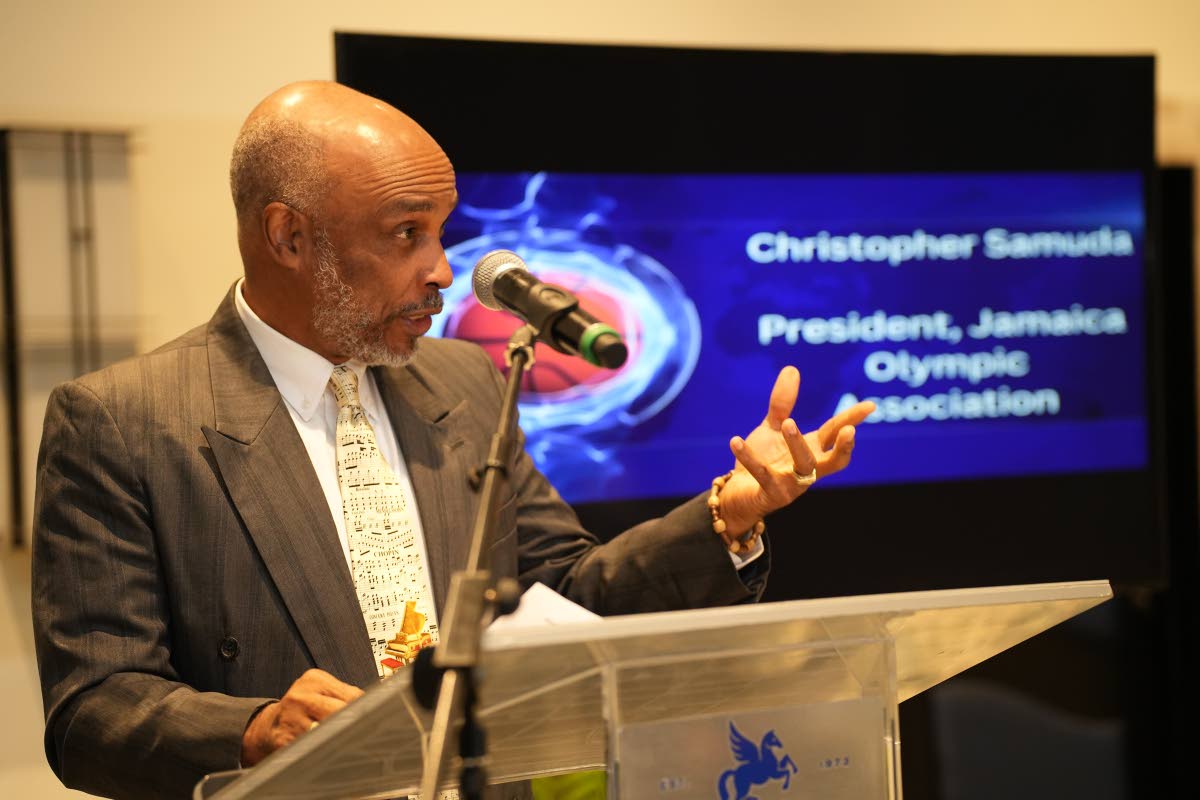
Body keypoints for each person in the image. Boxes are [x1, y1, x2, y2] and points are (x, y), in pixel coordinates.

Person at [31, 81, 874, 800]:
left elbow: (562, 596)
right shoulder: (124, 421)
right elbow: (92, 711)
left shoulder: (463, 384)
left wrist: (728, 516)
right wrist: (251, 729)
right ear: (288, 237)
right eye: (407, 233)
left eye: (441, 231)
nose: (442, 269)